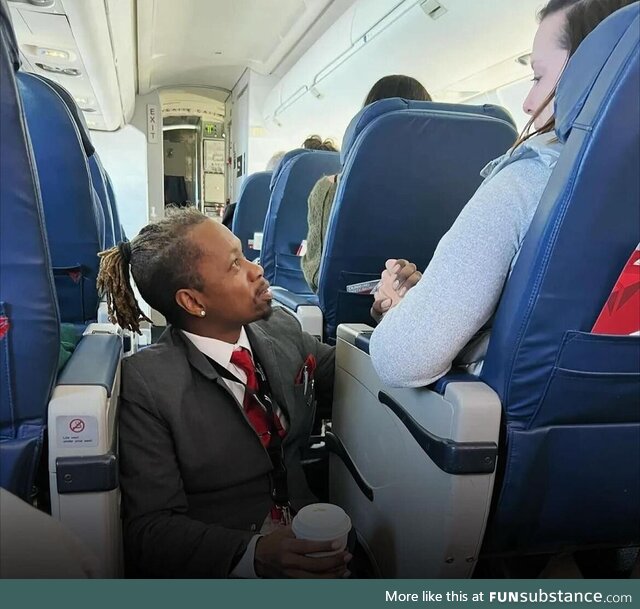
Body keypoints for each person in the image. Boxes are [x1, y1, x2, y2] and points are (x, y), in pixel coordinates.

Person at [369, 0, 633, 388]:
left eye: (538, 78)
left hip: (510, 435)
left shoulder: (528, 181)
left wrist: (403, 312)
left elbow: (405, 358)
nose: (527, 104)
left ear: (590, 75)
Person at [97, 208, 352, 578]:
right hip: (231, 561)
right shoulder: (148, 385)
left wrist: (393, 316)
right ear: (193, 302)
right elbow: (150, 529)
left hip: (313, 531)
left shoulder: (278, 326)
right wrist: (255, 554)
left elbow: (350, 376)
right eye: (235, 265)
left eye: (244, 255)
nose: (257, 269)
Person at [302, 75, 432, 292]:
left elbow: (316, 277)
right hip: (432, 310)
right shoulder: (454, 188)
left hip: (349, 315)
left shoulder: (330, 189)